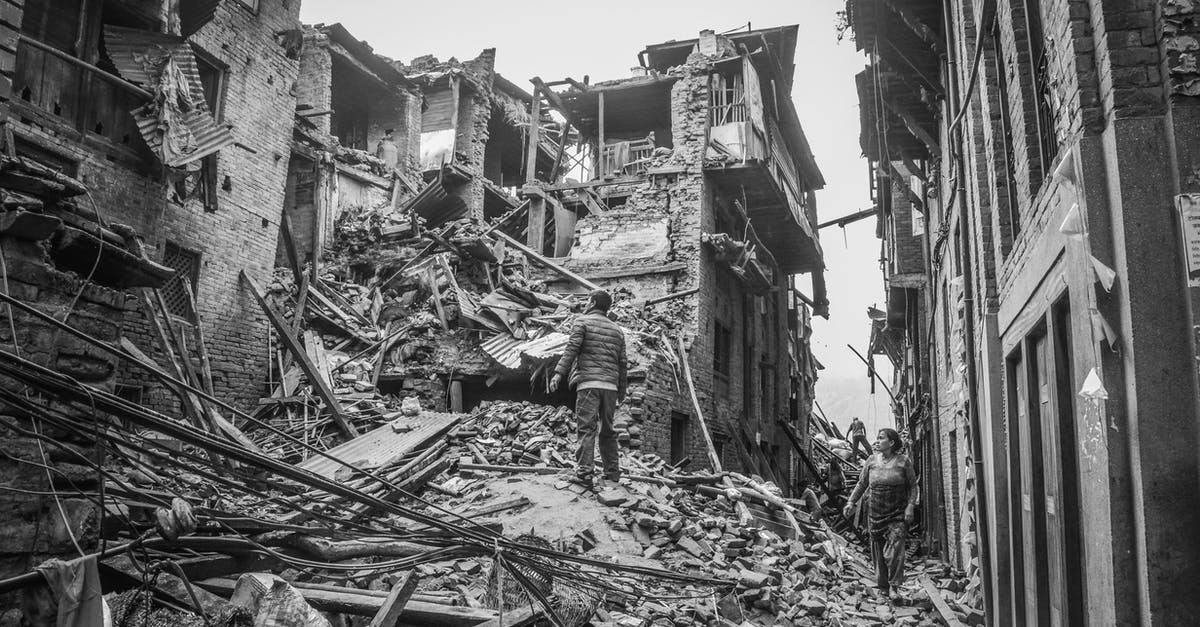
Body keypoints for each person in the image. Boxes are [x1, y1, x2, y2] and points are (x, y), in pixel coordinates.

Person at [549, 289, 627, 490]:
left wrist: (559, 373)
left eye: (587, 301)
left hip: (589, 385)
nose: (584, 305)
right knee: (608, 431)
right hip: (610, 387)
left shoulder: (582, 322)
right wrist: (622, 392)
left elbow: (572, 349)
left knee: (586, 429)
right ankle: (612, 473)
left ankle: (584, 474)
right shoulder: (617, 330)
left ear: (592, 303)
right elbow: (623, 363)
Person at [843, 428, 918, 602]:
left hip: (897, 514)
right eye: (876, 437)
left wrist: (910, 507)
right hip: (875, 514)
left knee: (895, 551)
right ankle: (883, 587)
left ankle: (894, 587)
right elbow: (861, 484)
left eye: (880, 438)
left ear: (891, 442)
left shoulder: (903, 462)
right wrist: (851, 502)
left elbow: (913, 486)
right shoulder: (871, 461)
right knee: (878, 551)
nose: (876, 441)